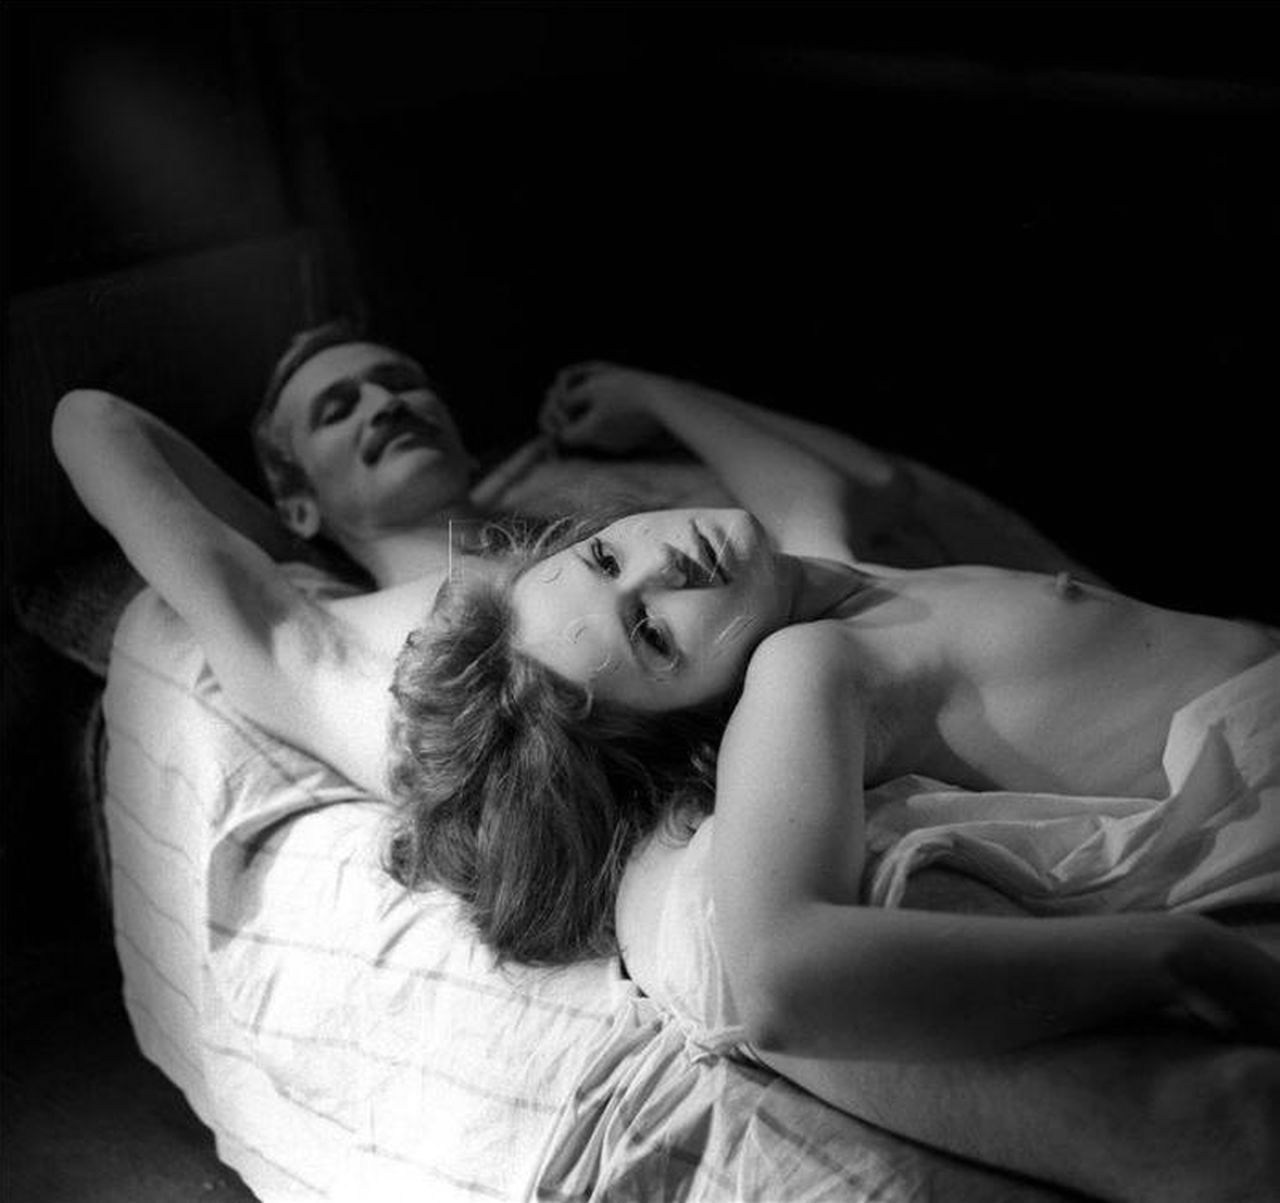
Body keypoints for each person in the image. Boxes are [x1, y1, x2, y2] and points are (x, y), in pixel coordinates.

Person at [54, 357, 1280, 1201]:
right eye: (336, 408)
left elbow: (828, 505)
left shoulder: (625, 541)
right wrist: (292, 529)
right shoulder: (359, 645)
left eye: (399, 379)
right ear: (293, 489)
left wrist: (644, 396)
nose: (383, 403)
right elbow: (93, 421)